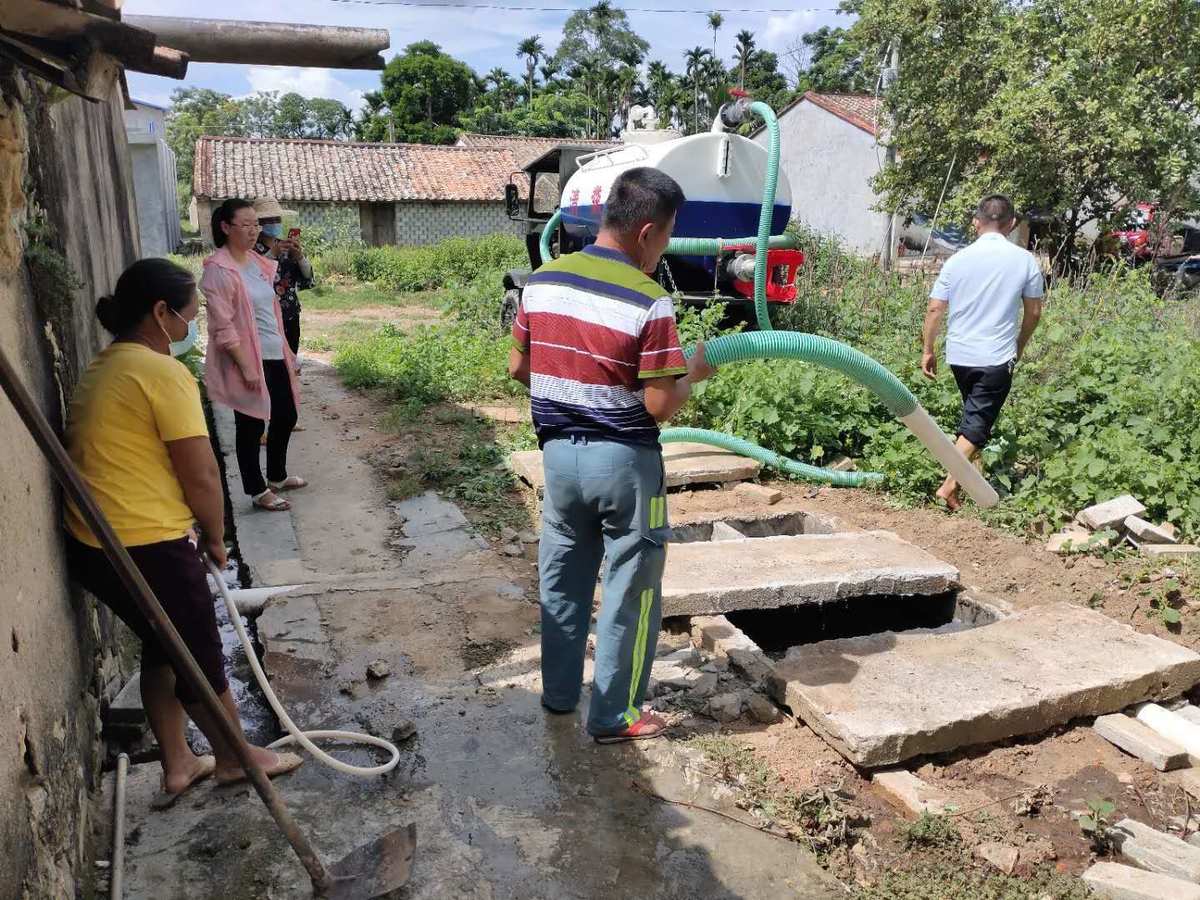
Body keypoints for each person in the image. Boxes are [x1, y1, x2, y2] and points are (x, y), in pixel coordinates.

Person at [64, 258, 302, 808]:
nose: (195, 318)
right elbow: (200, 471)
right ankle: (236, 756)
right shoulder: (160, 372)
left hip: (95, 543)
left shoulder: (107, 365)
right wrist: (215, 537)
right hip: (142, 541)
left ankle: (178, 764)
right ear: (161, 312)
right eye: (191, 310)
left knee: (163, 644)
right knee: (199, 648)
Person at [508, 167, 715, 744]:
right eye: (668, 235)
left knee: (563, 577)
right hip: (623, 464)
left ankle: (556, 694)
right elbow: (657, 403)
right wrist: (692, 376)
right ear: (648, 231)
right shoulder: (649, 301)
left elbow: (519, 368)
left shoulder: (542, 280)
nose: (666, 248)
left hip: (558, 459)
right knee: (631, 588)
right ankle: (614, 715)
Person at [921, 194, 1044, 510]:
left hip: (959, 357)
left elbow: (935, 308)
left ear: (976, 221)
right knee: (977, 428)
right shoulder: (1024, 260)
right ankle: (948, 485)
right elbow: (1033, 313)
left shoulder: (957, 260)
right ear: (1012, 224)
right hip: (995, 357)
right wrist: (1019, 344)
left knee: (974, 420)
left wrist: (928, 350)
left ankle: (965, 489)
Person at [201, 199, 305, 513]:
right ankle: (257, 491)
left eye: (254, 224)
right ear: (225, 227)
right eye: (245, 224)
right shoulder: (219, 270)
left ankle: (276, 475)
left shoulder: (254, 262)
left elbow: (268, 311)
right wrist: (246, 367)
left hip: (274, 353)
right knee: (250, 426)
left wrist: (289, 353)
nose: (253, 230)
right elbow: (223, 327)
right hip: (248, 358)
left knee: (286, 414)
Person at [252, 198, 313, 366]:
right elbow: (251, 274)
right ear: (259, 224)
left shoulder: (286, 247)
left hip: (290, 312)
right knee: (271, 363)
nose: (274, 224)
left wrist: (299, 257)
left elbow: (307, 276)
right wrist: (272, 254)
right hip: (265, 316)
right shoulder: (251, 251)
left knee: (291, 358)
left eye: (276, 219)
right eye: (268, 220)